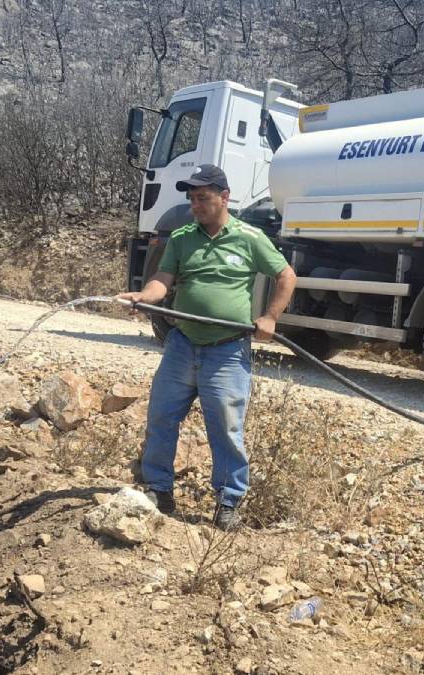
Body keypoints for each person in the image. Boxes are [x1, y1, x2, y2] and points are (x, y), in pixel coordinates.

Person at [115, 164, 297, 530]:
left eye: (202, 198)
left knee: (226, 428)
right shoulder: (182, 238)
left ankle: (229, 503)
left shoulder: (249, 237)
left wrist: (270, 317)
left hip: (227, 350)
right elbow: (163, 281)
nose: (195, 205)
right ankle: (159, 490)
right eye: (191, 198)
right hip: (183, 343)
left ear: (224, 197)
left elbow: (286, 275)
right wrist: (143, 296)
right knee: (161, 416)